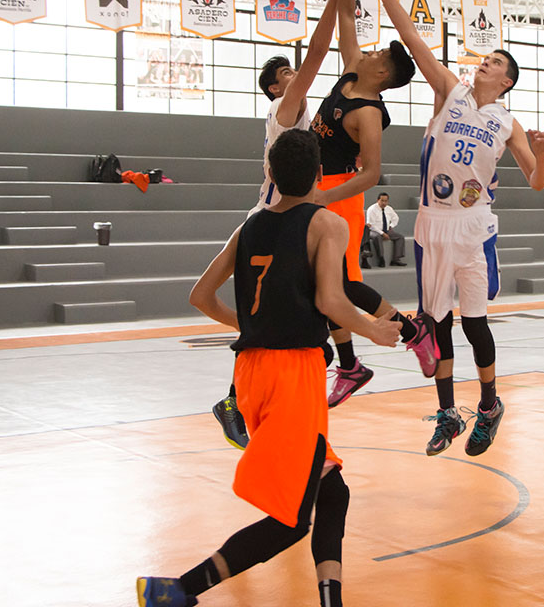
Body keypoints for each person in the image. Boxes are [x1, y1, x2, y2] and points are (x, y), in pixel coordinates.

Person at [138, 130, 402, 607]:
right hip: (292, 374)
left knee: (331, 488)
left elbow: (200, 296)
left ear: (271, 176)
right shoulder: (326, 223)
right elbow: (330, 299)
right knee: (291, 521)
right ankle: (176, 590)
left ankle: (330, 598)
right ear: (320, 175)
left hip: (250, 374)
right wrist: (373, 329)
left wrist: (253, 322)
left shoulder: (251, 224)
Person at [362, 0, 544, 456]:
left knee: (475, 324)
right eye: (483, 59)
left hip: (473, 227)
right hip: (432, 222)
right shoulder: (448, 89)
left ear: (506, 80)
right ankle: (448, 413)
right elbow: (412, 38)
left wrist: (542, 152)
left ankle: (489, 406)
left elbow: (537, 183)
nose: (481, 64)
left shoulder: (508, 122)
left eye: (491, 61)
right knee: (436, 324)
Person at [213, 0, 350, 450]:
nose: (297, 76)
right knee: (303, 306)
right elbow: (318, 52)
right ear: (276, 87)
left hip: (289, 216)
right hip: (272, 223)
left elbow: (329, 54)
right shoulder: (285, 109)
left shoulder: (300, 117)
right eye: (287, 74)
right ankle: (237, 398)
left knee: (301, 315)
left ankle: (312, 373)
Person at [311, 0, 438, 408]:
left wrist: (324, 197)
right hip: (320, 190)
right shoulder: (350, 71)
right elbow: (346, 15)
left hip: (341, 195)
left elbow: (372, 174)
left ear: (382, 73)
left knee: (340, 285)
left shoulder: (368, 114)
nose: (372, 51)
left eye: (380, 53)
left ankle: (410, 333)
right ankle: (350, 365)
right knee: (325, 286)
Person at [365, 192, 406, 266]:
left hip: (386, 230)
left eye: (386, 201)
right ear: (378, 200)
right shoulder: (372, 209)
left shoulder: (389, 208)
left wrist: (391, 226)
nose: (384, 203)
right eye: (382, 200)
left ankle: (395, 259)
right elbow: (371, 225)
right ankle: (381, 258)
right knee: (377, 237)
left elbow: (396, 218)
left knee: (400, 237)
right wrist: (382, 233)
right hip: (373, 231)